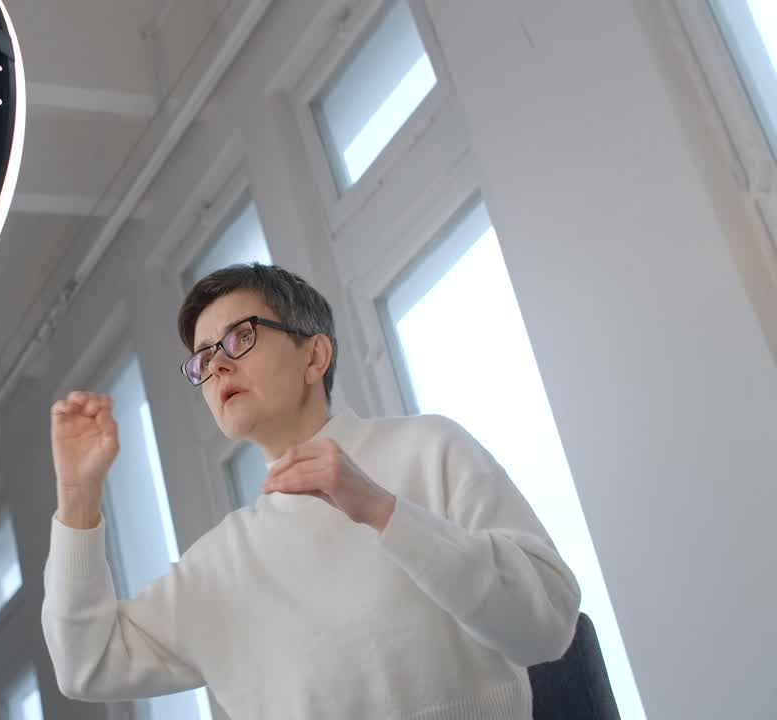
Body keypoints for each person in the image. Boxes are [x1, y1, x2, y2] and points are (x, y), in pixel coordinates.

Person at [43, 263, 581, 719]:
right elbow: (86, 662)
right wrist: (78, 493)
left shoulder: (429, 448)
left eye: (239, 337)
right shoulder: (220, 563)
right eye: (204, 359)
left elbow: (548, 627)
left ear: (314, 356)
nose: (219, 364)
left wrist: (382, 511)